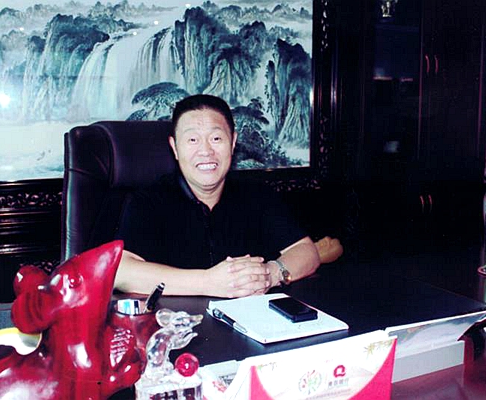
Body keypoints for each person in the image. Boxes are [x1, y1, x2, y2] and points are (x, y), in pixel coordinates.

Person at [114, 94, 342, 298]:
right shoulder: (148, 201)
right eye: (192, 140)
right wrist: (208, 282)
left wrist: (268, 274)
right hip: (175, 324)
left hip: (248, 324)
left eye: (216, 139)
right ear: (175, 147)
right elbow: (122, 272)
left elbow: (306, 252)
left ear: (232, 142)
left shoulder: (257, 195)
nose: (206, 151)